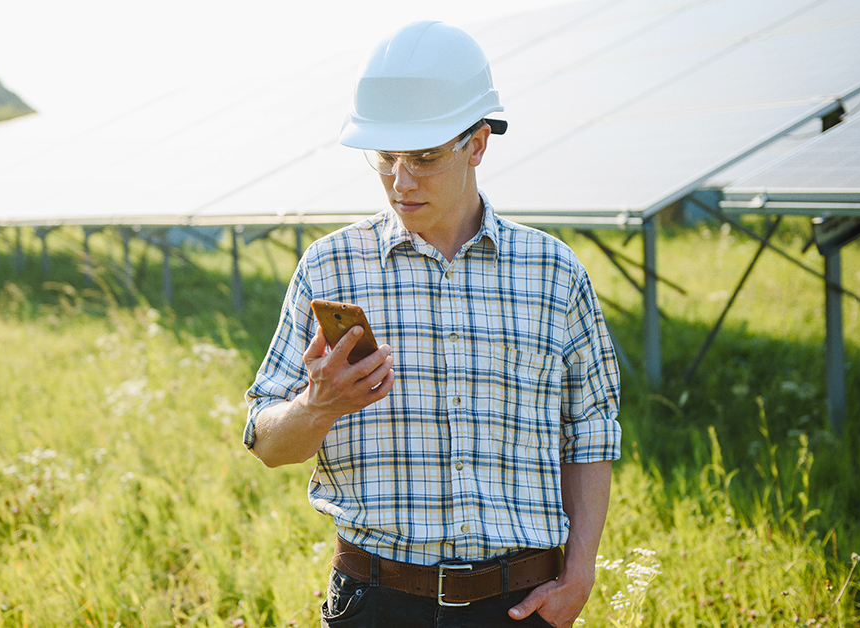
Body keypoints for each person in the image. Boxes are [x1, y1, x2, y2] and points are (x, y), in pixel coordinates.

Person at [243, 20, 621, 628]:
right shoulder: (330, 266)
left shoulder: (554, 272)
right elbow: (265, 443)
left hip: (522, 605)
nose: (401, 180)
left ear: (477, 144)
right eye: (386, 157)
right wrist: (317, 406)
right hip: (375, 602)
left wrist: (580, 572)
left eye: (424, 157)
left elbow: (592, 432)